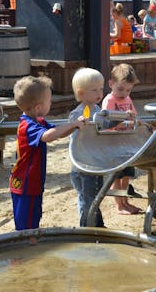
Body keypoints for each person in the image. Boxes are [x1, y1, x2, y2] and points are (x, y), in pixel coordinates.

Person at [10, 76, 86, 243]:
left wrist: (74, 126)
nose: (51, 104)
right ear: (38, 107)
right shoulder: (27, 126)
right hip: (24, 184)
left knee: (34, 216)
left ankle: (31, 243)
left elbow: (57, 133)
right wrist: (73, 125)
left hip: (33, 182)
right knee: (26, 224)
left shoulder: (38, 121)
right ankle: (25, 250)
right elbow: (48, 137)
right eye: (49, 101)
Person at [102, 63, 142, 215]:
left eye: (128, 90)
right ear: (111, 84)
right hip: (113, 143)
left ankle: (125, 201)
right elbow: (106, 122)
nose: (124, 93)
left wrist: (133, 117)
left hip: (126, 143)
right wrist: (125, 119)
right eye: (120, 89)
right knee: (116, 176)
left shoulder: (127, 98)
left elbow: (134, 115)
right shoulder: (110, 100)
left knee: (127, 175)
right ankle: (119, 205)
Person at [69, 67, 107, 227]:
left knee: (96, 196)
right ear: (81, 93)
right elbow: (74, 132)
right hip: (83, 167)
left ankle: (97, 224)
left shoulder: (98, 110)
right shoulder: (78, 114)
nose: (99, 93)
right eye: (94, 90)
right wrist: (80, 124)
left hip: (95, 163)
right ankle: (86, 226)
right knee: (87, 199)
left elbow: (106, 124)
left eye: (101, 89)